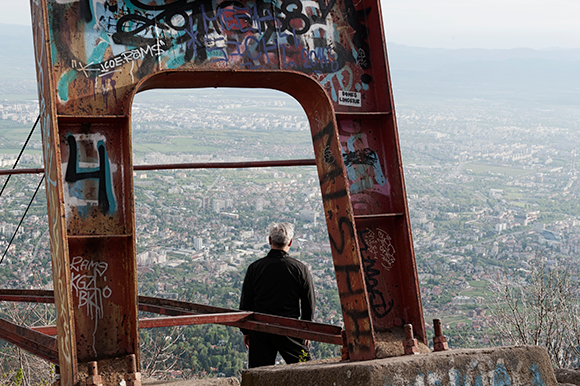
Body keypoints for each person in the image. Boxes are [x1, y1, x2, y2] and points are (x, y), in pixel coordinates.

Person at [239, 222, 315, 368]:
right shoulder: (300, 269)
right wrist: (306, 331)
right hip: (290, 328)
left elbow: (246, 302)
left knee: (259, 374)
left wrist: (246, 330)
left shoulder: (255, 268)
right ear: (290, 242)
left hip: (260, 328)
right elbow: (308, 303)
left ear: (269, 240)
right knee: (306, 370)